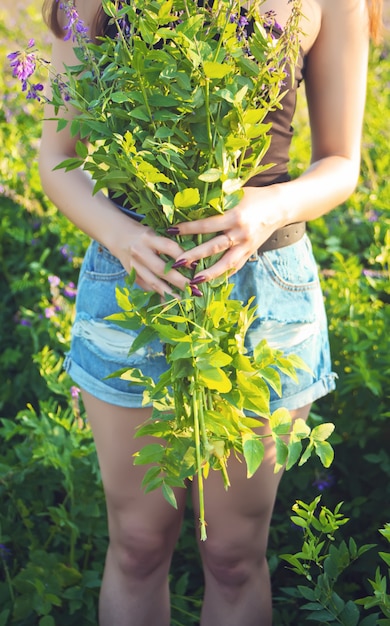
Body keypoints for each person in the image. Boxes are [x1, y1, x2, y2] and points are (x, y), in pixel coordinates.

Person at [38, 0, 382, 624]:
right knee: (138, 546)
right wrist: (124, 239)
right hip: (133, 276)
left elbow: (340, 163)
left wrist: (269, 209)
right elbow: (58, 159)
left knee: (233, 555)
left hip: (263, 287)